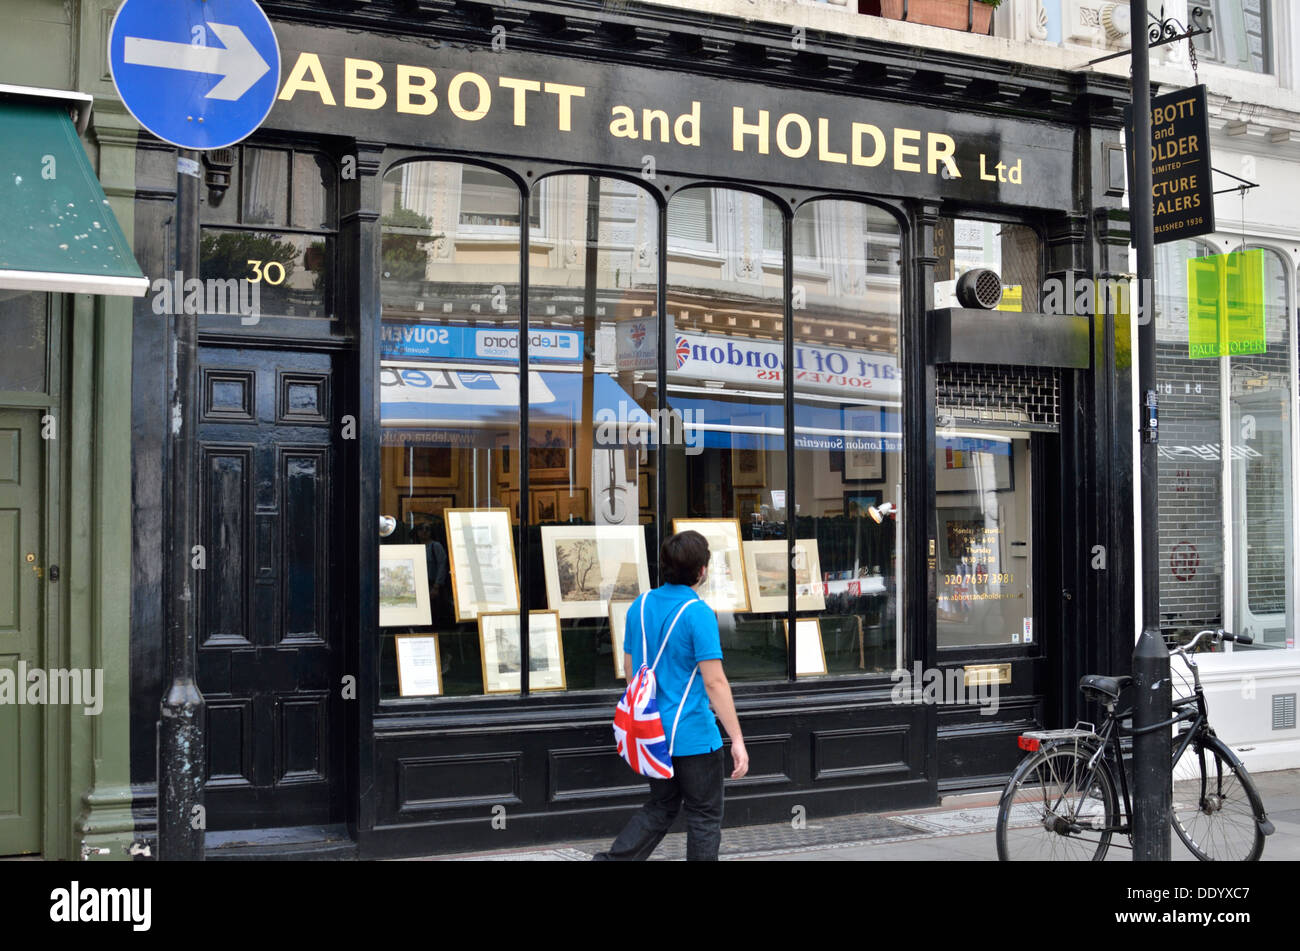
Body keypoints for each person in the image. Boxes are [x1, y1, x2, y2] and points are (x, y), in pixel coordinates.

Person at [594, 530, 748, 861]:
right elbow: (715, 683)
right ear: (702, 570)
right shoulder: (698, 613)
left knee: (661, 807)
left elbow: (630, 672)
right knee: (704, 818)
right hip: (693, 735)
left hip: (652, 734)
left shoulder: (640, 604)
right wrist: (737, 739)